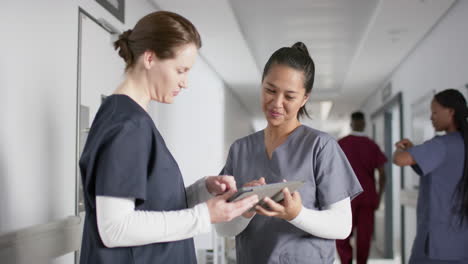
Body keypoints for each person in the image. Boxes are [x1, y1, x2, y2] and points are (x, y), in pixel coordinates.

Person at [78, 11, 259, 264]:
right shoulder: (127, 125)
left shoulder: (129, 119)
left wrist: (202, 189)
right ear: (150, 58)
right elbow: (115, 228)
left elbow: (151, 205)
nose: (185, 82)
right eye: (181, 70)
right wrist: (204, 216)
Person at [214, 42, 363, 264]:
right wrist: (246, 210)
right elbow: (223, 229)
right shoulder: (240, 149)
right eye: (270, 90)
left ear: (304, 98)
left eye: (290, 96)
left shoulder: (321, 147)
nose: (276, 103)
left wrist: (296, 214)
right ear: (261, 84)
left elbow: (342, 226)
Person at [393, 89, 468, 263]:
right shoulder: (459, 144)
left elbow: (400, 159)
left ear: (451, 111)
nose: (431, 117)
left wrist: (400, 146)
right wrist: (417, 151)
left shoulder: (441, 144)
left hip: (439, 243)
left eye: (435, 112)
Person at [336, 111, 387, 264]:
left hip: (346, 197)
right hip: (368, 196)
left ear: (351, 124)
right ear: (364, 123)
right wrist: (379, 197)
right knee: (364, 237)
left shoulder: (341, 143)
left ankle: (346, 261)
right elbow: (383, 175)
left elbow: (332, 172)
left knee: (342, 233)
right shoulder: (372, 145)